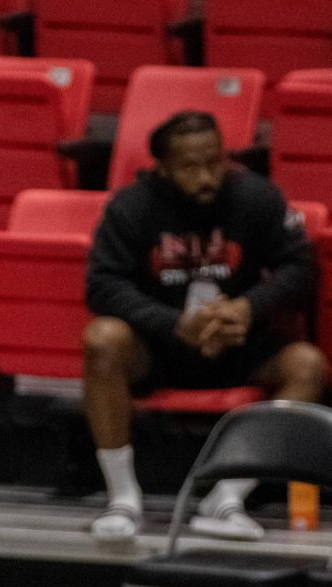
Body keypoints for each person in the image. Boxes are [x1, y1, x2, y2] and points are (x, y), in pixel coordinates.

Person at [84, 110, 327, 540]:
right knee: (101, 339)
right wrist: (173, 323)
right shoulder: (130, 207)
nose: (207, 177)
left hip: (238, 343)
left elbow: (300, 267)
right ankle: (122, 499)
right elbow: (103, 285)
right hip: (159, 347)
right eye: (190, 167)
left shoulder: (257, 197)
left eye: (215, 162)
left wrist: (249, 308)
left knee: (308, 366)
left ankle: (226, 498)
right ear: (162, 168)